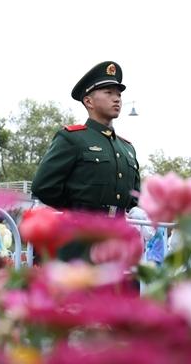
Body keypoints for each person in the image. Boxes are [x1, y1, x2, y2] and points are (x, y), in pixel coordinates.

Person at [31, 61, 140, 259]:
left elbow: (134, 196)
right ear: (89, 101)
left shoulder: (127, 148)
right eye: (109, 93)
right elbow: (43, 186)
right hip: (79, 241)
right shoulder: (72, 138)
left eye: (119, 94)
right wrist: (78, 211)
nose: (117, 99)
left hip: (116, 241)